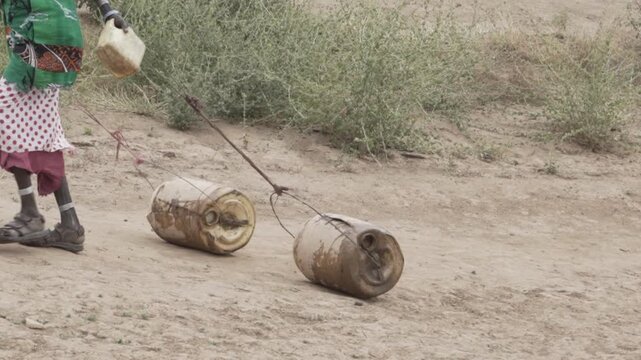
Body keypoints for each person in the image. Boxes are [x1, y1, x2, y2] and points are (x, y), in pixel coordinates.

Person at [0, 0, 128, 252]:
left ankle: (30, 213)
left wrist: (108, 11)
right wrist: (107, 10)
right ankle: (70, 225)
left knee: (6, 112)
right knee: (42, 128)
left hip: (39, 35)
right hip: (58, 33)